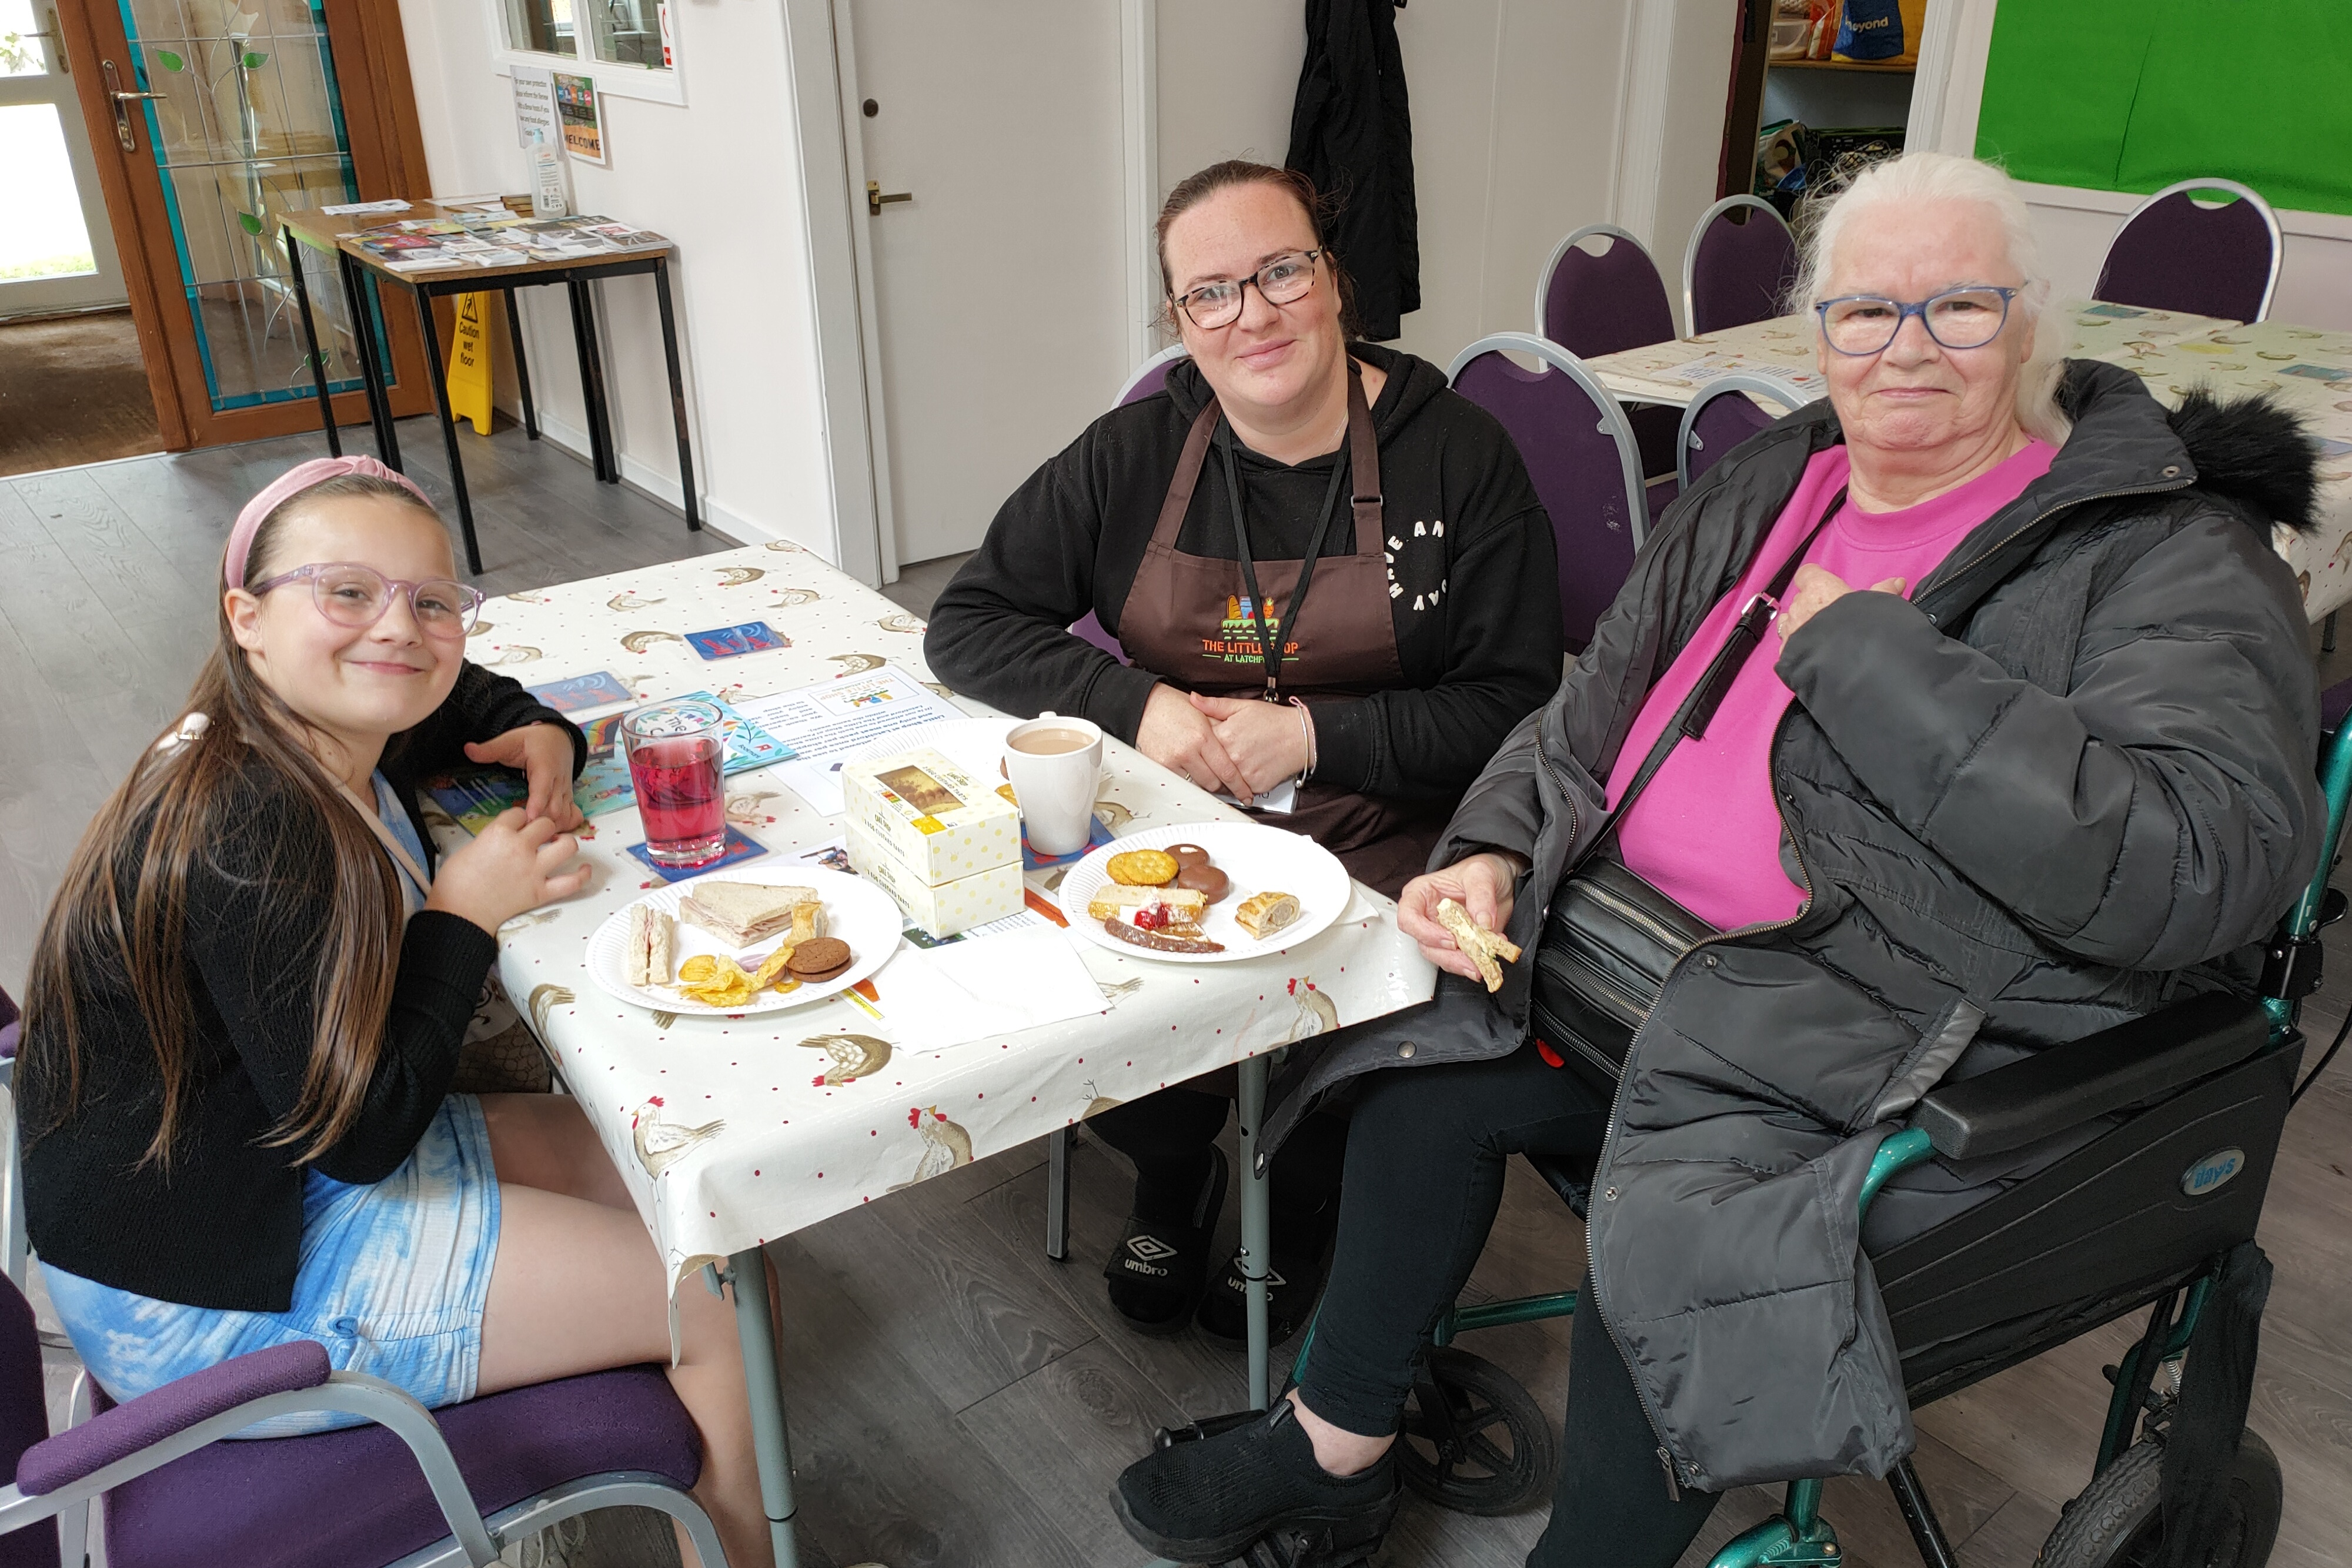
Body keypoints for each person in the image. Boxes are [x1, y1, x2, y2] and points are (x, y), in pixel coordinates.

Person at [1108, 152, 2325, 1566]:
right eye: (1862, 310)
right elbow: (1585, 710)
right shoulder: (1780, 476)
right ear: (1817, 332)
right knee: (1416, 1076)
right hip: (1638, 970)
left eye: (1957, 306)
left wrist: (1867, 653)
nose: (1903, 348)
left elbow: (2198, 863)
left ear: (2030, 324)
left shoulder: (2162, 551)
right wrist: (1494, 844)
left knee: (1674, 1263)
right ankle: (1333, 1445)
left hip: (1882, 1047)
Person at [17, 457, 777, 1568]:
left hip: (248, 1171)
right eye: (347, 592)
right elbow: (364, 1136)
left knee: (679, 1184)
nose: (396, 629)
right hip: (213, 1289)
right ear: (247, 619)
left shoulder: (298, 725)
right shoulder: (248, 833)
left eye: (431, 601)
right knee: (716, 1296)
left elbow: (452, 693)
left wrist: (542, 731)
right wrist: (460, 916)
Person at [925, 160, 1562, 1343]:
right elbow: (967, 622)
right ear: (1179, 318)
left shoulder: (1458, 456)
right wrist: (1136, 703)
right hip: (1174, 821)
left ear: (1335, 281)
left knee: (1372, 1015)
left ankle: (1307, 1191)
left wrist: (1317, 732)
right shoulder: (1132, 452)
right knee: (1059, 963)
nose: (1252, 315)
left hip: (1383, 823)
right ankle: (1175, 1169)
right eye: (1209, 292)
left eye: (1281, 272)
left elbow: (1519, 706)